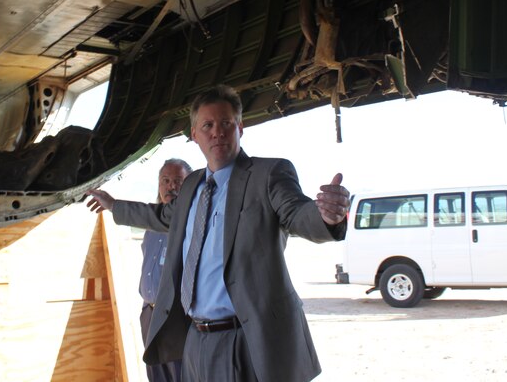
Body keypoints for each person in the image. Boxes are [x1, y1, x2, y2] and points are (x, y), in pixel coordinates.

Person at [87, 84, 350, 382]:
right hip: (195, 338)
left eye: (226, 123)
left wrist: (327, 217)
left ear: (240, 127)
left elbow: (298, 213)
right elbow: (161, 216)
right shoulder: (190, 186)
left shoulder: (268, 175)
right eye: (208, 125)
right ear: (194, 135)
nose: (218, 132)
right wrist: (114, 205)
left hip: (247, 339)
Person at [139, 159, 191, 382]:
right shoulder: (150, 226)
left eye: (178, 181)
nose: (171, 186)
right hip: (149, 315)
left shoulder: (191, 224)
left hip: (175, 317)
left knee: (180, 376)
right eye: (166, 181)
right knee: (157, 376)